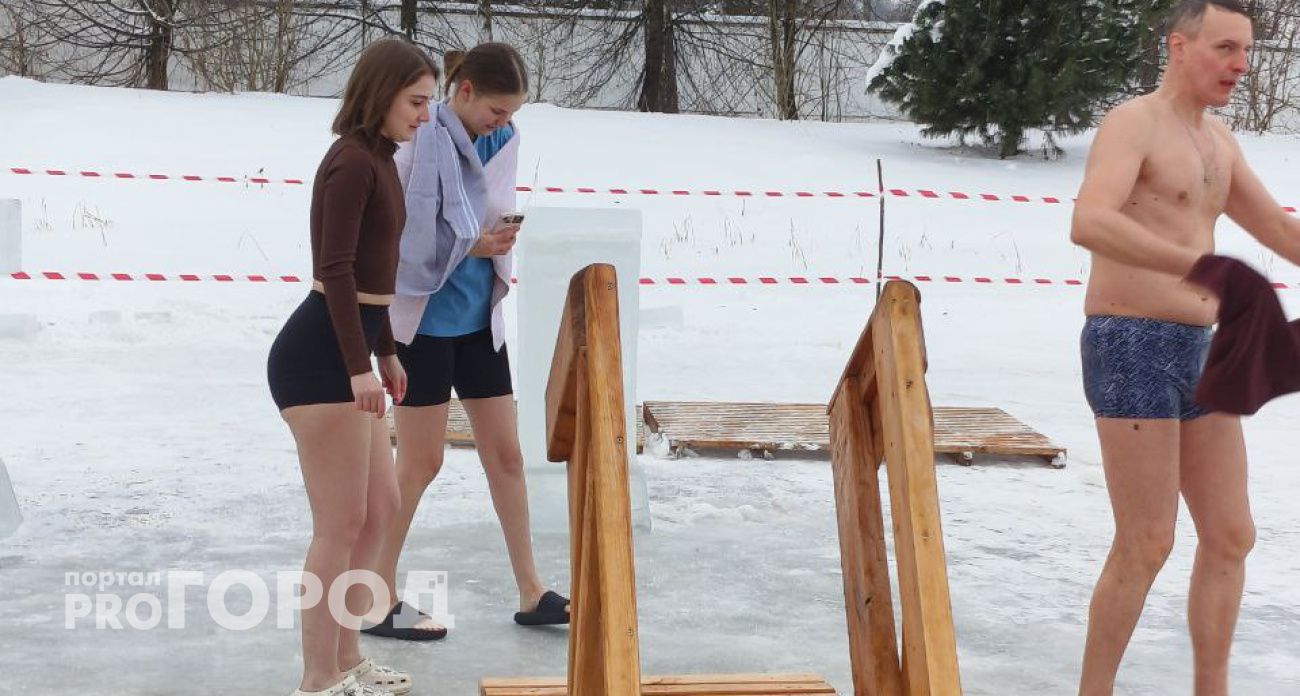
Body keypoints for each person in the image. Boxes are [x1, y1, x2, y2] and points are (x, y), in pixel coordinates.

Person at [1071, 2, 1300, 694]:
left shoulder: (1220, 143)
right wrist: (1199, 268)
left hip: (1200, 349)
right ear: (1178, 45)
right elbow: (1089, 220)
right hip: (1130, 341)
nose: (1240, 64)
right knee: (1147, 542)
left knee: (1231, 534)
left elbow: (1280, 232)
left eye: (1246, 51)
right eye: (1225, 48)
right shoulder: (1133, 123)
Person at [360, 42, 570, 642]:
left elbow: (485, 207)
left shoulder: (504, 142)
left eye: (513, 114)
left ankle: (532, 590)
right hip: (425, 324)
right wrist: (470, 244)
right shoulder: (419, 141)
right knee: (420, 463)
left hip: (480, 319)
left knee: (506, 457)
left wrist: (493, 239)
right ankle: (376, 595)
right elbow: (405, 234)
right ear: (466, 92)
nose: (504, 123)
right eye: (497, 111)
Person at [266, 38, 438, 695]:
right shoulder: (350, 164)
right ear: (381, 94)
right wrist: (357, 364)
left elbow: (377, 276)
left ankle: (347, 658)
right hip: (317, 360)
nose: (424, 115)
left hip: (353, 352)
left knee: (380, 506)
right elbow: (334, 268)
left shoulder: (381, 160)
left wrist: (386, 351)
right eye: (416, 101)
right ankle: (317, 678)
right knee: (338, 524)